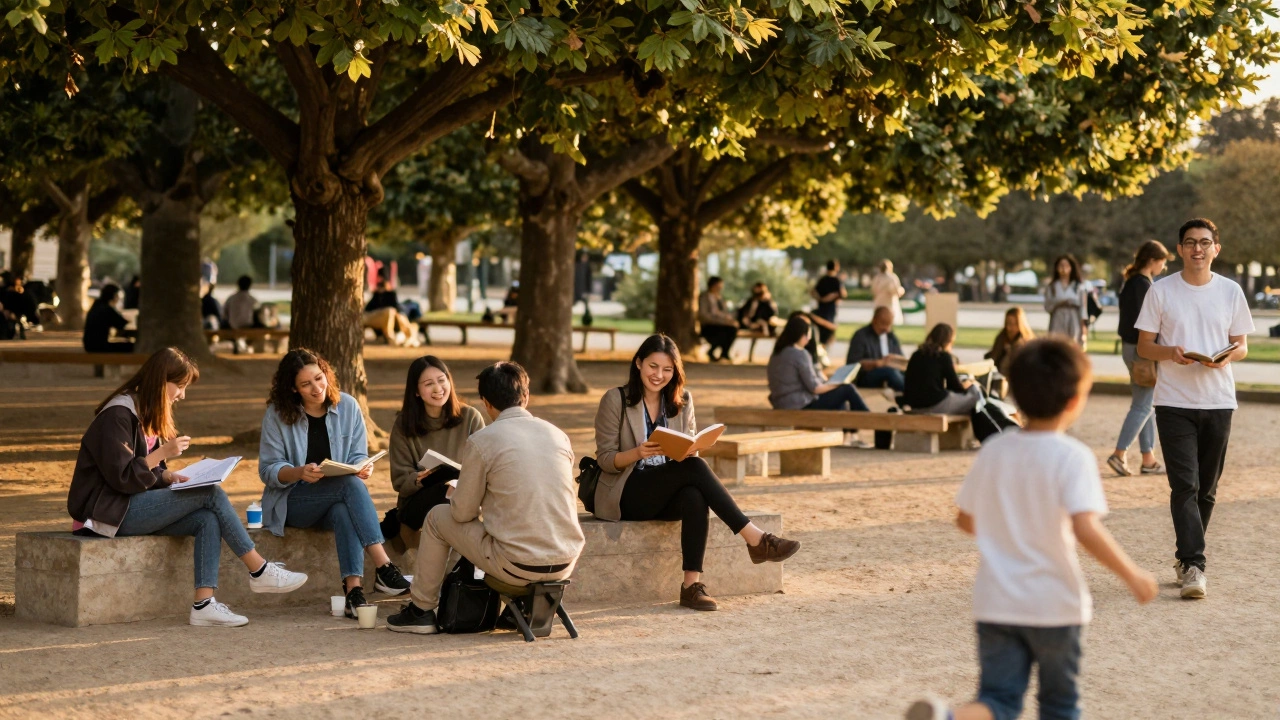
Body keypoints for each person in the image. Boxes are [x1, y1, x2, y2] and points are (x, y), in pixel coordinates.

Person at [906, 338, 1157, 720]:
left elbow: (965, 519)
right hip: (1055, 604)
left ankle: (949, 718)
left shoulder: (995, 449)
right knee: (1059, 705)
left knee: (999, 700)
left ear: (1015, 398)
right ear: (1075, 401)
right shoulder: (1072, 457)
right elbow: (1085, 529)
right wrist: (1132, 574)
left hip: (997, 602)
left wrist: (1006, 525)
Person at [67, 348, 309, 627]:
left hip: (130, 505)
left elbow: (148, 473)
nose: (181, 395)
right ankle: (259, 569)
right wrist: (161, 454)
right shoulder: (118, 415)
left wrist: (169, 476)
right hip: (106, 514)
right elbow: (121, 477)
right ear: (160, 382)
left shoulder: (145, 412)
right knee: (211, 494)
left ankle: (204, 604)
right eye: (179, 386)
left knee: (206, 519)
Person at [591, 335, 802, 611]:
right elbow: (605, 460)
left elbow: (690, 451)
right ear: (639, 363)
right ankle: (756, 539)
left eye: (667, 370)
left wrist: (691, 451)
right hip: (627, 492)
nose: (659, 375)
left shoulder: (683, 400)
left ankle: (691, 586)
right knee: (695, 470)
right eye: (653, 366)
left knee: (694, 493)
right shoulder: (615, 399)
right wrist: (638, 453)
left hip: (667, 490)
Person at [386, 362, 586, 633]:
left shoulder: (484, 440)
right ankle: (521, 606)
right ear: (525, 396)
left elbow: (461, 514)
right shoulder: (558, 435)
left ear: (486, 403)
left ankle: (420, 610)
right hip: (566, 561)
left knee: (436, 517)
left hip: (517, 565)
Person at [1135, 218, 1253, 599]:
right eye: (1190, 242)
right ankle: (1195, 566)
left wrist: (1227, 357)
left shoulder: (1232, 292)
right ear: (1180, 249)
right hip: (1173, 402)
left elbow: (1242, 344)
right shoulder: (1160, 291)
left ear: (1216, 248)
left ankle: (1185, 558)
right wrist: (1169, 352)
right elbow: (1143, 347)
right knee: (1184, 485)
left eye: (1204, 242)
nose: (1197, 249)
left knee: (1207, 489)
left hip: (1218, 400)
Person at [258, 348, 411, 618]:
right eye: (306, 384)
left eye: (319, 378)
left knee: (346, 503)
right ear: (293, 389)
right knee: (349, 487)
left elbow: (357, 455)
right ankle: (384, 567)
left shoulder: (348, 406)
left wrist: (363, 466)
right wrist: (298, 472)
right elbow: (268, 470)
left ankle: (354, 592)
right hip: (293, 501)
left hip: (335, 499)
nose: (317, 388)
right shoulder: (277, 414)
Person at [388, 355, 486, 540]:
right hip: (418, 504)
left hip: (464, 496)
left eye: (442, 380)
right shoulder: (403, 425)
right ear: (416, 391)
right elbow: (400, 481)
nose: (438, 389)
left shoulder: (470, 417)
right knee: (447, 489)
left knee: (456, 489)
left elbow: (486, 464)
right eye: (428, 384)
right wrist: (418, 479)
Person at [1106, 240, 1171, 477]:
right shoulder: (1142, 285)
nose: (1163, 267)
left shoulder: (1133, 282)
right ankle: (1119, 453)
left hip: (1132, 348)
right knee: (1142, 405)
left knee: (1146, 403)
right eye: (1162, 262)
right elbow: (1146, 323)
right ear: (1152, 260)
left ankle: (1148, 459)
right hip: (1140, 350)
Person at [768, 314, 869, 412]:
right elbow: (815, 388)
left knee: (838, 399)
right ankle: (873, 421)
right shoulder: (800, 354)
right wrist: (838, 383)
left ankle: (851, 427)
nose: (808, 340)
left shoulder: (777, 353)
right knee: (847, 389)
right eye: (808, 336)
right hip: (799, 405)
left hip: (780, 404)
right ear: (802, 335)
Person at [903, 323, 982, 415]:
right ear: (947, 342)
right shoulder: (944, 356)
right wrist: (967, 386)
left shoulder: (916, 355)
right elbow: (954, 387)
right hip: (935, 405)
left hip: (914, 406)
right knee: (976, 395)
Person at [845, 306, 907, 394]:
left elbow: (901, 359)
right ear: (874, 320)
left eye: (889, 324)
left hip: (893, 371)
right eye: (883, 324)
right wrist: (877, 363)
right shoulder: (861, 336)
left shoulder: (890, 337)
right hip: (867, 376)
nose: (886, 328)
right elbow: (852, 363)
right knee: (889, 371)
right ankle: (912, 394)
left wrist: (895, 359)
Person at [1043, 255, 1088, 348]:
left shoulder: (1078, 286)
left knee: (1072, 344)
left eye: (1066, 265)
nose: (1063, 269)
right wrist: (1059, 303)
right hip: (1058, 317)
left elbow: (1083, 309)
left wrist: (1083, 328)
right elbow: (1047, 306)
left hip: (1073, 317)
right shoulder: (1052, 287)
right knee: (1056, 344)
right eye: (1061, 265)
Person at [363, 279, 419, 347]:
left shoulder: (390, 296)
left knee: (395, 314)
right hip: (387, 322)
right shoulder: (377, 296)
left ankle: (404, 338)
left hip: (396, 321)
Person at [83, 284, 135, 353]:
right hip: (98, 347)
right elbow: (121, 323)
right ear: (113, 296)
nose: (118, 298)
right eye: (117, 296)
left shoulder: (97, 305)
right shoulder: (106, 309)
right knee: (133, 346)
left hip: (89, 345)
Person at [983, 307, 1034, 377]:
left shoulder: (1025, 344)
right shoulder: (1001, 338)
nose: (1009, 328)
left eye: (1013, 324)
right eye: (1007, 323)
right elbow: (993, 358)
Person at [698, 276, 738, 362]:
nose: (720, 288)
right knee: (726, 331)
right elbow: (704, 315)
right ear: (713, 285)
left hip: (721, 324)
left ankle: (724, 353)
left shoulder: (719, 297)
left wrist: (729, 320)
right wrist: (722, 322)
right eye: (719, 286)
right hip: (709, 325)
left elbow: (724, 312)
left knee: (732, 329)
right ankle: (713, 352)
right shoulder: (704, 297)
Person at [809, 260, 845, 346]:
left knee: (821, 332)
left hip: (821, 309)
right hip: (830, 310)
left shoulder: (822, 280)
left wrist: (821, 299)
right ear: (836, 267)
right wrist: (830, 298)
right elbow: (843, 294)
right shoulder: (836, 280)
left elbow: (813, 292)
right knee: (828, 332)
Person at [871, 259, 905, 325]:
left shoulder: (876, 278)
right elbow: (896, 290)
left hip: (879, 302)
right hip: (890, 303)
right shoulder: (892, 277)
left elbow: (873, 290)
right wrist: (902, 290)